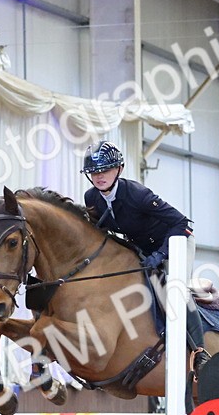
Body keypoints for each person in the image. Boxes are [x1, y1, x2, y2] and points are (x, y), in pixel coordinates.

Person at [81, 140, 210, 373]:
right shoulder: (92, 197)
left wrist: (161, 254)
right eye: (94, 172)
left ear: (118, 169)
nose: (99, 176)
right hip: (141, 248)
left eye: (105, 170)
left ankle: (200, 352)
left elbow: (183, 224)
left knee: (174, 287)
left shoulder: (137, 195)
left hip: (174, 242)